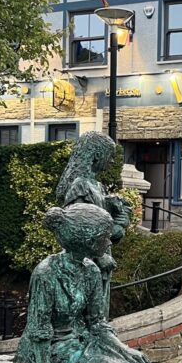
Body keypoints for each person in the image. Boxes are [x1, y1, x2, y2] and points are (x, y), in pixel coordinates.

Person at [16, 203, 155, 363]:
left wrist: (124, 350)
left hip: (82, 341)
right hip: (50, 351)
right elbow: (39, 328)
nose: (109, 242)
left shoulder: (91, 271)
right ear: (88, 240)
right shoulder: (46, 273)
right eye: (105, 237)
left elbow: (97, 323)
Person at [55, 131, 133, 312]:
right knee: (87, 316)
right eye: (110, 156)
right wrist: (99, 256)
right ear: (97, 154)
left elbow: (102, 229)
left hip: (101, 262)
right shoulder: (80, 186)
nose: (112, 161)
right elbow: (76, 229)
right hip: (85, 263)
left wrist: (120, 221)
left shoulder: (97, 186)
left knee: (100, 316)